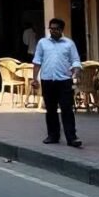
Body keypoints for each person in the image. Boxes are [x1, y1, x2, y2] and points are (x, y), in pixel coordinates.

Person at [32, 18, 83, 148]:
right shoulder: (42, 43)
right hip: (48, 80)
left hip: (64, 81)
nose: (53, 31)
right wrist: (34, 79)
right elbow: (37, 61)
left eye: (56, 29)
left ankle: (72, 138)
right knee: (51, 110)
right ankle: (53, 136)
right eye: (51, 29)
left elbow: (75, 60)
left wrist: (76, 71)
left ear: (61, 30)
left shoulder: (69, 44)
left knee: (67, 109)